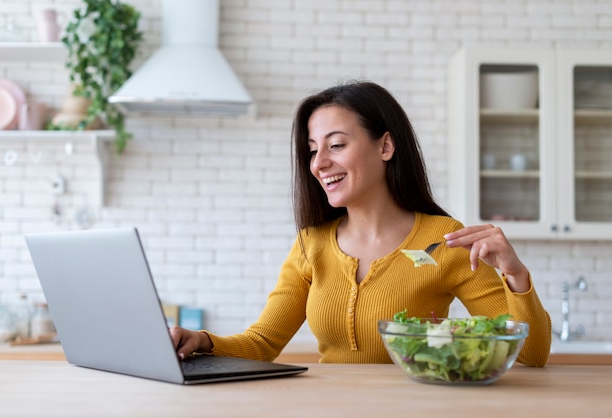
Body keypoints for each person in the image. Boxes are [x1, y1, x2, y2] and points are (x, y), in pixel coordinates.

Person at [170, 80, 551, 366]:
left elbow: (531, 355)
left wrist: (515, 275)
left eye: (336, 145)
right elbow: (262, 343)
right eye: (313, 150)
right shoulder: (311, 243)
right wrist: (202, 341)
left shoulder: (444, 240)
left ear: (385, 146)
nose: (319, 163)